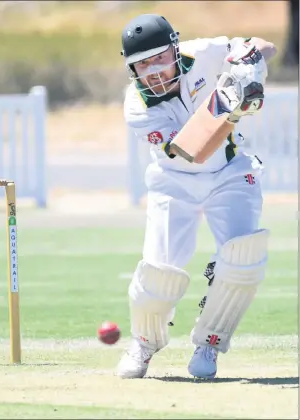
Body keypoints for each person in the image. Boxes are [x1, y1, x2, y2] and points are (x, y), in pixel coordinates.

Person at [117, 13, 277, 379]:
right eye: (141, 65)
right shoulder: (138, 107)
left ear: (175, 50)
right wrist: (231, 107)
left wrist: (247, 57)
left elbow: (266, 47)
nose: (153, 71)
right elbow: (190, 152)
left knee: (243, 260)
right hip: (174, 180)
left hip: (231, 173)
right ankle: (144, 342)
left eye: (159, 58)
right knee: (158, 273)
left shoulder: (202, 53)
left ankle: (209, 343)